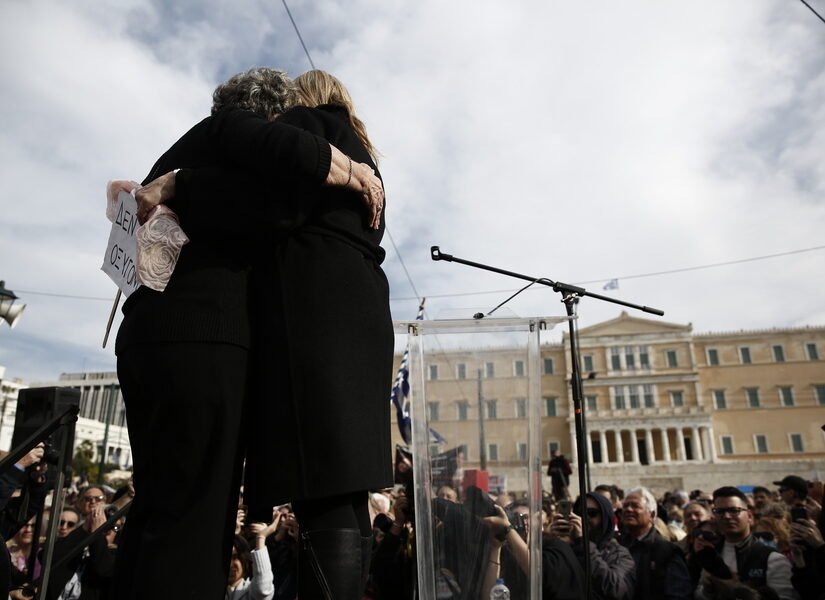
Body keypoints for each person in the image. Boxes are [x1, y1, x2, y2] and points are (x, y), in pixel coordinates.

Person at [114, 67, 384, 600]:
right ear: (267, 121)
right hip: (203, 339)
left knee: (160, 505)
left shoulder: (182, 153)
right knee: (198, 514)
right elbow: (278, 205)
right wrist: (344, 170)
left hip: (147, 334)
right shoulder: (234, 141)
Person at [239, 69, 393, 599]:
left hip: (315, 311)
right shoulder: (366, 155)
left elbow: (274, 212)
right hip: (362, 311)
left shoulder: (306, 125)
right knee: (346, 485)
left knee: (319, 475)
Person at [694, 486, 798, 600]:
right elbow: (698, 593)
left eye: (734, 511)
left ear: (749, 516)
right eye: (720, 511)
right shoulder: (711, 554)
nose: (727, 516)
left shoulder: (772, 559)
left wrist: (738, 590)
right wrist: (707, 591)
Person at [549, 492, 635, 599]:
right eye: (580, 513)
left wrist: (583, 543)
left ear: (605, 517)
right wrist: (550, 541)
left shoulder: (618, 553)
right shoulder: (566, 547)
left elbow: (615, 590)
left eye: (592, 513)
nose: (585, 518)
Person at [618, 487, 692, 599]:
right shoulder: (617, 546)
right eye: (625, 505)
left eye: (635, 506)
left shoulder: (668, 551)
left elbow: (678, 593)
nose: (628, 509)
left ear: (652, 515)